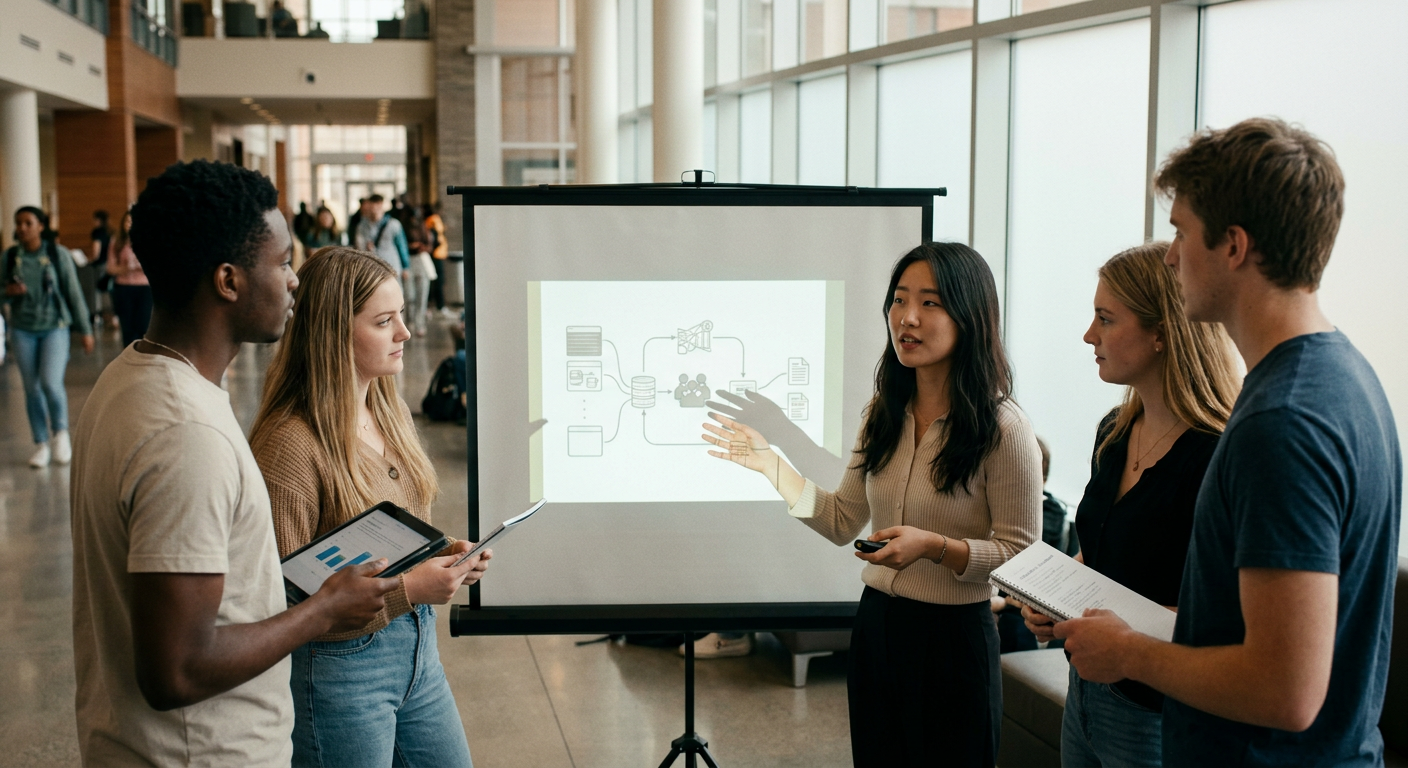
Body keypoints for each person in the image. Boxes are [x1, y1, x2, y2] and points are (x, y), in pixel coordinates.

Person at [1053, 118, 1401, 767]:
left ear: (1234, 246)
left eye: (1182, 232)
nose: (1170, 255)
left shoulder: (1283, 423)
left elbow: (1285, 690)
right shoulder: (1343, 375)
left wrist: (1128, 653)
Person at [68, 160, 397, 766]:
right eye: (281, 262)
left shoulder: (128, 378)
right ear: (227, 280)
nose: (294, 280)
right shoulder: (185, 434)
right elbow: (178, 670)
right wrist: (323, 609)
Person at [704, 242, 1042, 767]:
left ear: (970, 316)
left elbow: (1023, 558)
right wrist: (772, 465)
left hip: (955, 641)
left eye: (930, 302)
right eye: (899, 299)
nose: (907, 317)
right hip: (879, 628)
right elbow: (842, 520)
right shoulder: (882, 413)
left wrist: (935, 547)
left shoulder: (1003, 429)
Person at [249, 246, 487, 766]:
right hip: (340, 671)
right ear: (333, 333)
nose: (405, 332)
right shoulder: (290, 445)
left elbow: (386, 528)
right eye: (384, 321)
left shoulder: (388, 405)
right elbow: (285, 604)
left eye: (401, 314)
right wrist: (410, 589)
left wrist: (445, 551)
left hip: (419, 657)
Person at [1021, 242, 1240, 766]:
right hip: (1090, 689)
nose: (1088, 335)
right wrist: (1053, 602)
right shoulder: (1114, 433)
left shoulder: (1218, 458)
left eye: (1105, 319)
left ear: (1163, 331)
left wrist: (1117, 631)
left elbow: (1229, 620)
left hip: (1160, 712)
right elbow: (1100, 554)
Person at [2, 206, 94, 468]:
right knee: (31, 389)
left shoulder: (57, 254)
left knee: (51, 384)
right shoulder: (9, 257)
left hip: (55, 327)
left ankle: (61, 434)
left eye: (28, 223)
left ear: (41, 226)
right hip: (22, 329)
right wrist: (9, 291)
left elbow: (73, 292)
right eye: (18, 223)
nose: (22, 228)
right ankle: (41, 443)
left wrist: (85, 329)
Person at [107, 211, 153, 347]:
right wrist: (128, 268)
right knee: (127, 326)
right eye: (127, 221)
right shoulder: (117, 241)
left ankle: (143, 354)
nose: (130, 225)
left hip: (144, 287)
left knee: (144, 324)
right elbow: (110, 268)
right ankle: (128, 355)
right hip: (124, 287)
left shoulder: (148, 240)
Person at [354, 194, 410, 295]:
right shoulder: (362, 226)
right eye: (371, 207)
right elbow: (359, 246)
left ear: (381, 206)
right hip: (371, 267)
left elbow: (401, 245)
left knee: (395, 293)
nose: (373, 210)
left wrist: (405, 267)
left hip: (392, 265)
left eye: (376, 206)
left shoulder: (393, 224)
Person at [403, 208, 433, 337]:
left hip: (421, 260)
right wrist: (412, 246)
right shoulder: (404, 227)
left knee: (422, 294)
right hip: (409, 260)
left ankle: (419, 324)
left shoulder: (424, 227)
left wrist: (422, 247)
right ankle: (410, 321)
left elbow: (430, 245)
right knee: (410, 295)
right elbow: (402, 245)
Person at [423, 203, 448, 313]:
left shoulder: (430, 220)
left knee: (436, 280)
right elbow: (435, 237)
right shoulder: (433, 220)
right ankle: (439, 305)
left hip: (437, 253)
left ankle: (435, 304)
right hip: (437, 254)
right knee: (438, 280)